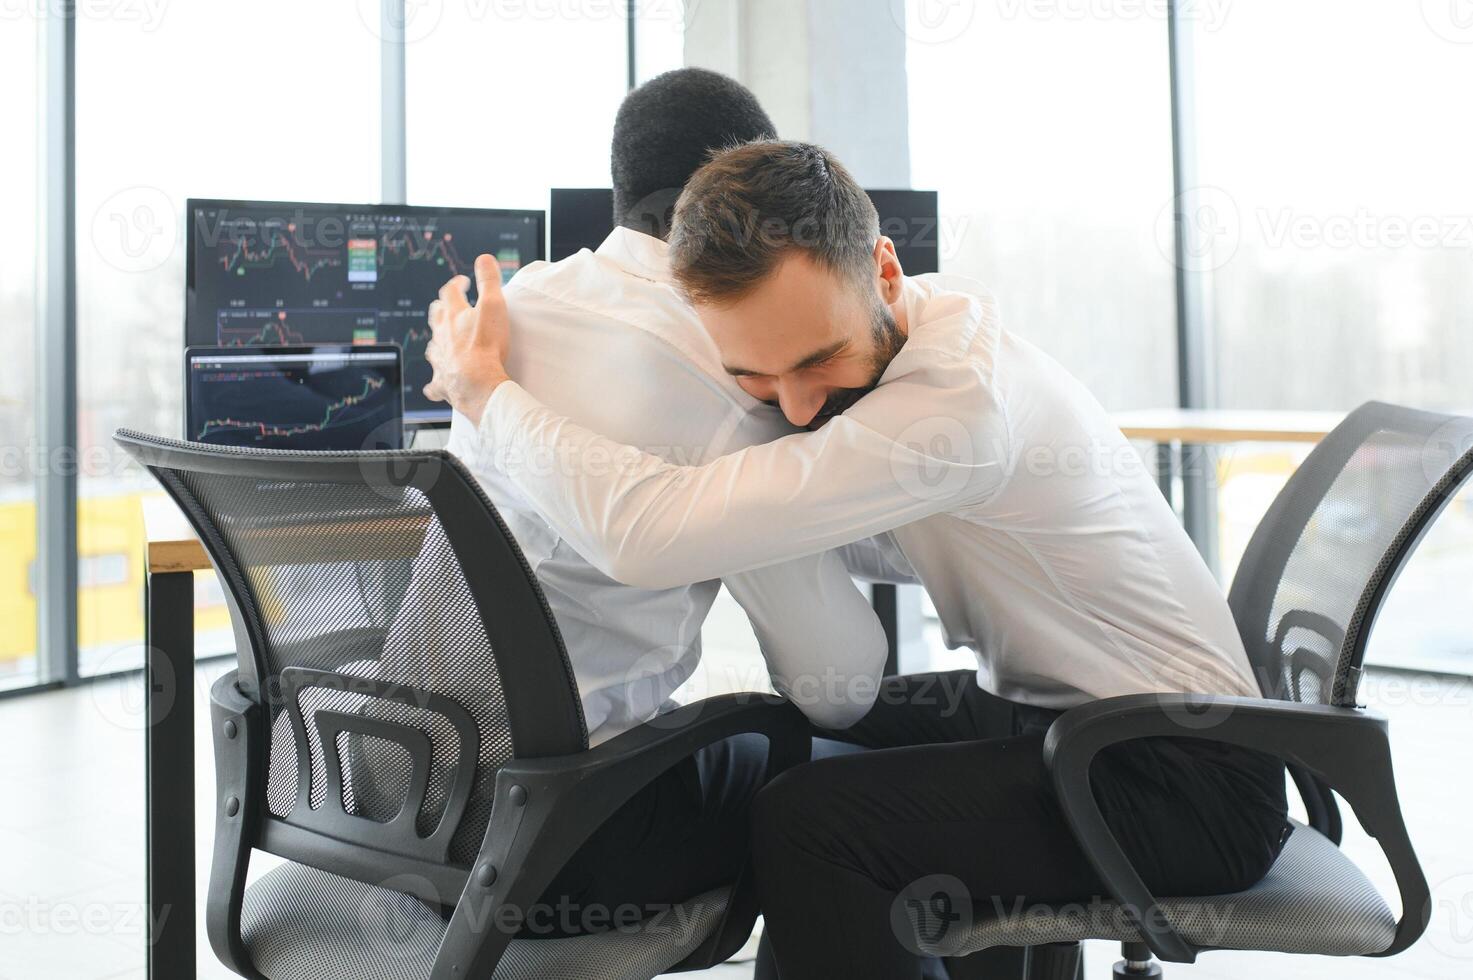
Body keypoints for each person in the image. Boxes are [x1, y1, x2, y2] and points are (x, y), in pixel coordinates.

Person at [423, 140, 1291, 977]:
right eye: (755, 379)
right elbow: (836, 532)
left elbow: (649, 535)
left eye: (816, 360)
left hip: (1185, 778)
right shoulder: (925, 333)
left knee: (811, 820)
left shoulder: (952, 415)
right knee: (794, 728)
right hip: (1061, 716)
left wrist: (486, 394)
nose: (798, 408)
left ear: (881, 268)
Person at [436, 83, 888, 937]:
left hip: (398, 807)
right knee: (861, 803)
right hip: (568, 845)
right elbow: (840, 688)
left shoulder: (502, 317)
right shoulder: (737, 364)